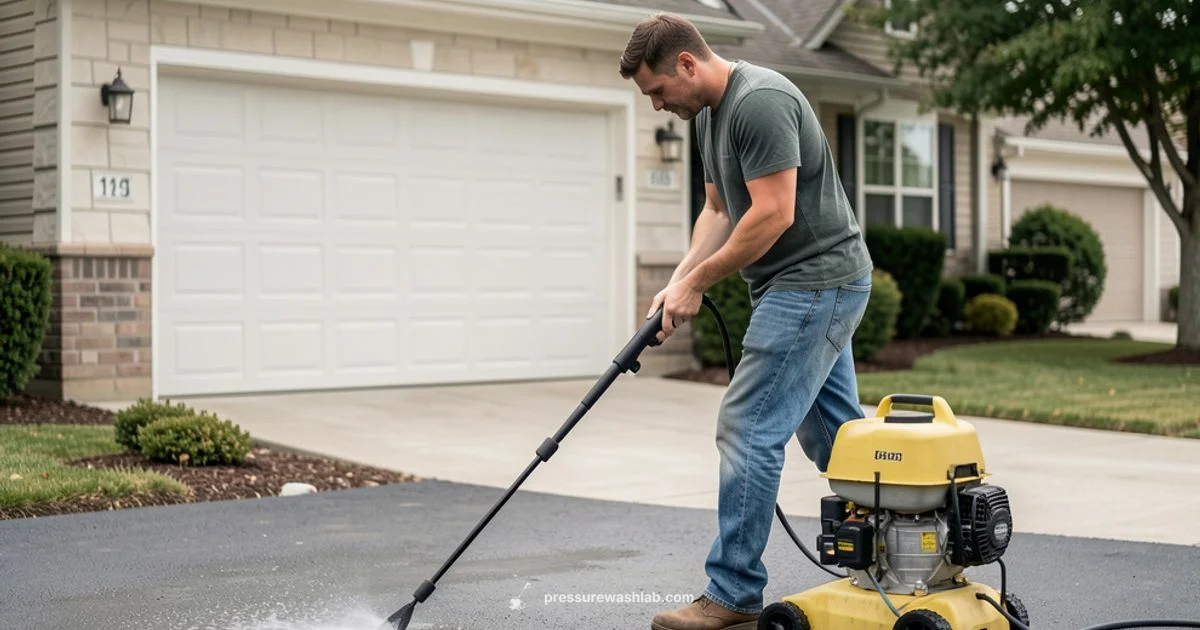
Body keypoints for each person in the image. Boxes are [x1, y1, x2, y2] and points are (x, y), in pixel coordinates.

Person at [619, 12, 874, 630]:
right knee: (836, 436)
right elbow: (716, 211)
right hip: (802, 285)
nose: (656, 106)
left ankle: (731, 593)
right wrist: (679, 281)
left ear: (686, 63)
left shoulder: (759, 101)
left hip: (816, 282)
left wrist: (700, 283)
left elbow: (772, 215)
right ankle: (909, 547)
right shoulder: (710, 115)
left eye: (657, 91)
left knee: (747, 428)